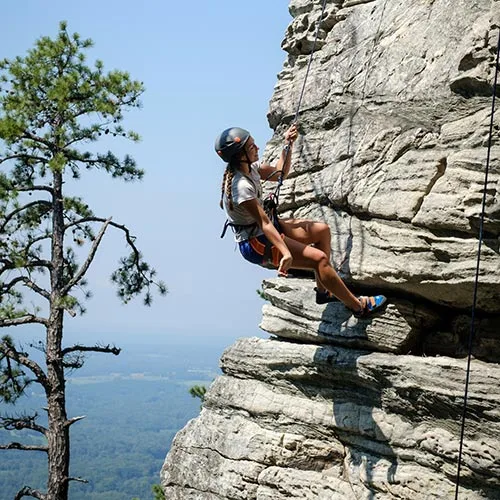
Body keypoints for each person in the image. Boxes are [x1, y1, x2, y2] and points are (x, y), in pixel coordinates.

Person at [215, 124, 387, 317]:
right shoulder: (241, 187)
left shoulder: (251, 169)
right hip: (257, 242)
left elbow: (280, 173)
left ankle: (323, 291)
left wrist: (288, 143)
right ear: (240, 155)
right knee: (319, 259)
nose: (257, 148)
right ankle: (359, 307)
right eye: (251, 147)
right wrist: (285, 252)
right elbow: (264, 223)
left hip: (268, 229)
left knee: (322, 230)